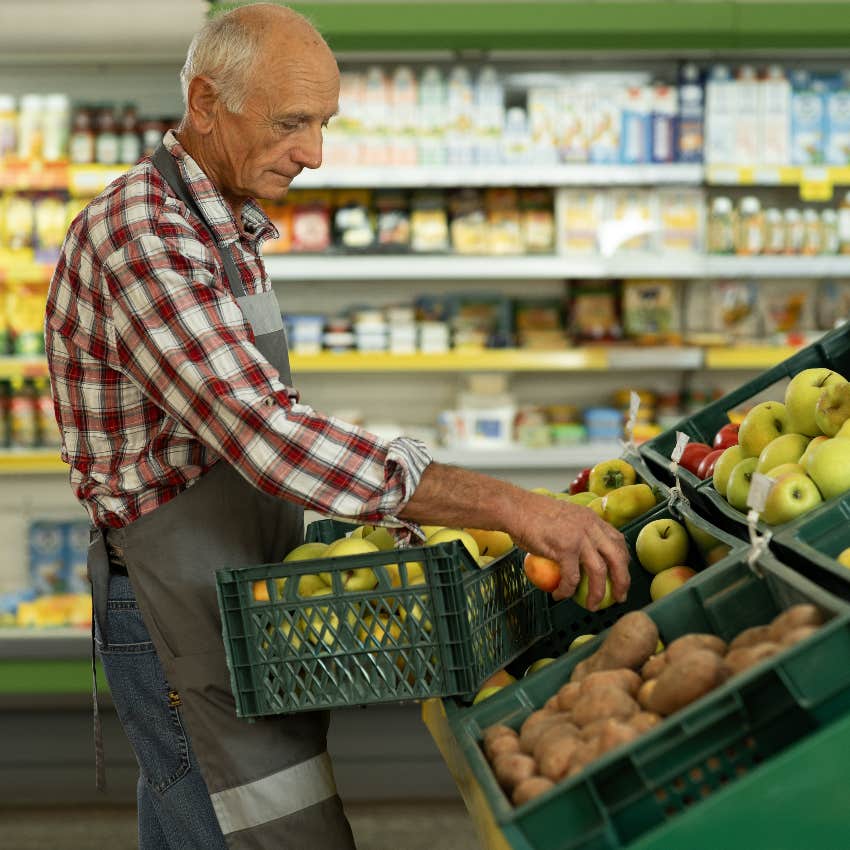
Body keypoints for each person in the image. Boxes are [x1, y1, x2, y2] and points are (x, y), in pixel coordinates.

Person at [44, 4, 630, 848]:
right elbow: (266, 432)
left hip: (232, 589)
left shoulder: (224, 223)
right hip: (177, 605)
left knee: (214, 816)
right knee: (252, 828)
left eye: (324, 123)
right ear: (205, 101)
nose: (314, 152)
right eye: (291, 123)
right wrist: (506, 504)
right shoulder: (146, 235)